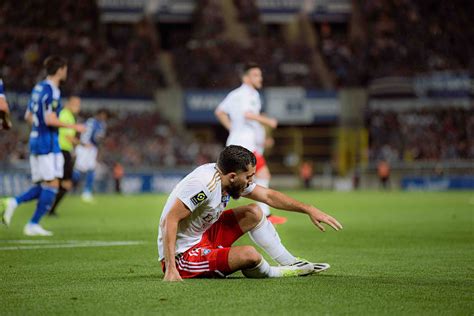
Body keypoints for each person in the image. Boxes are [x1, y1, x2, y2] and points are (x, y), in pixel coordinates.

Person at [158, 145, 343, 281]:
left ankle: (290, 262)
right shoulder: (204, 185)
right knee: (250, 255)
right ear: (232, 176)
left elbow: (268, 196)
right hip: (183, 255)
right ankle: (278, 272)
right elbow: (170, 219)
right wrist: (171, 269)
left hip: (203, 234)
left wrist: (308, 209)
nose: (250, 181)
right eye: (248, 177)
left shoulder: (226, 177)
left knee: (254, 211)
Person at [1, 56, 85, 236]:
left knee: (47, 184)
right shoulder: (53, 91)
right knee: (53, 184)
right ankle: (31, 223)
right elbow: (49, 119)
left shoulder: (37, 88)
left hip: (36, 139)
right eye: (65, 69)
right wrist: (74, 126)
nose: (66, 72)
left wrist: (38, 130)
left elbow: (28, 116)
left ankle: (14, 204)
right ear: (61, 69)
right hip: (47, 141)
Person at [215, 63, 286, 224]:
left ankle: (212, 210)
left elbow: (219, 112)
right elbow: (248, 114)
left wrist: (232, 129)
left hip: (239, 141)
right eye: (256, 75)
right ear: (246, 78)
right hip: (245, 144)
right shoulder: (249, 94)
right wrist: (267, 120)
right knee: (261, 175)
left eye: (260, 75)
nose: (260, 78)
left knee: (229, 180)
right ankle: (265, 215)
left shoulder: (235, 94)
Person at [48, 96, 82, 216]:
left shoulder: (67, 115)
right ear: (71, 104)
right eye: (77, 105)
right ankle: (50, 208)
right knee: (64, 183)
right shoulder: (65, 115)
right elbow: (67, 136)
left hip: (64, 151)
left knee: (61, 183)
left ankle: (50, 208)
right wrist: (81, 143)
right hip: (62, 151)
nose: (79, 108)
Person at [73, 109, 109, 202]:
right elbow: (94, 137)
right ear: (99, 114)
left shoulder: (95, 123)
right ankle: (69, 187)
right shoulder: (95, 123)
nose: (103, 118)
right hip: (86, 147)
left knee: (89, 169)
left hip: (87, 147)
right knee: (79, 171)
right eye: (103, 115)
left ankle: (86, 191)